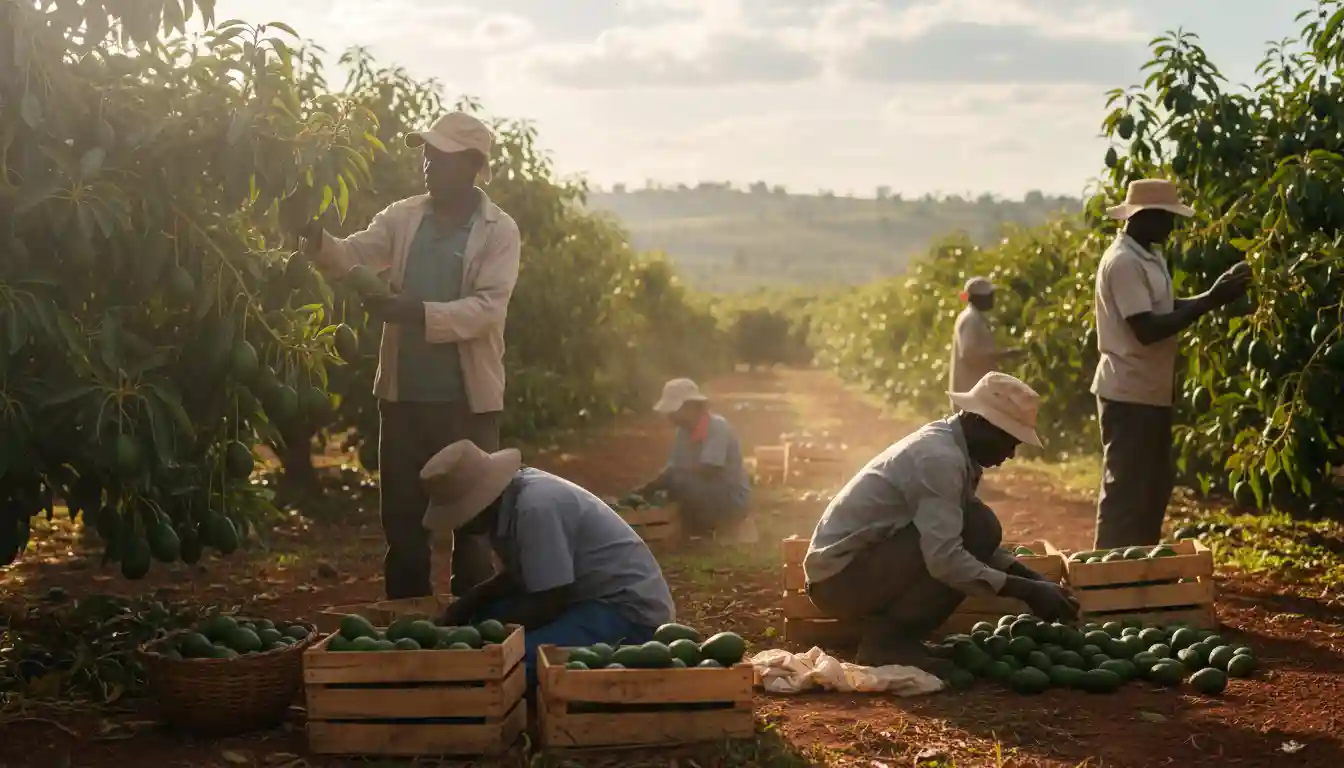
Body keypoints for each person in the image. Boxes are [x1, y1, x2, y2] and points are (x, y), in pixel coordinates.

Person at [303, 111, 522, 600]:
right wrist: (314, 237)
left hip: (466, 404)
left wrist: (416, 312)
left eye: (439, 156)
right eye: (425, 153)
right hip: (403, 401)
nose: (427, 163)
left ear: (471, 165)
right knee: (403, 526)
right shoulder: (404, 217)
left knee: (473, 527)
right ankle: (408, 631)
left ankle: (475, 632)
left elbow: (487, 310)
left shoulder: (498, 230)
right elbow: (354, 254)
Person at [802, 372, 1079, 670]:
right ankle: (887, 644)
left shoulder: (953, 449)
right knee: (981, 526)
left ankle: (899, 640)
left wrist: (1035, 580)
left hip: (856, 570)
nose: (1011, 454)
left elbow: (965, 541)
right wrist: (1027, 591)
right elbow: (946, 559)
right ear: (979, 422)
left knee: (979, 527)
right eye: (1009, 440)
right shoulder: (939, 459)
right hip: (840, 581)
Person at [423, 440, 676, 685]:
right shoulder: (511, 501)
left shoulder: (536, 507)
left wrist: (489, 636)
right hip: (581, 597)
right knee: (483, 617)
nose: (460, 525)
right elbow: (527, 572)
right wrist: (472, 601)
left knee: (511, 665)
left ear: (480, 502)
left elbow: (551, 599)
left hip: (625, 612)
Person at [1091, 179, 1251, 549]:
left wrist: (1212, 295)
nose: (1172, 226)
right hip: (1128, 391)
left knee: (1153, 486)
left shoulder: (1147, 253)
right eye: (1167, 218)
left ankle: (1141, 565)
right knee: (1126, 490)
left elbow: (1162, 307)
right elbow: (1146, 329)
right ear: (1145, 216)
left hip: (1150, 390)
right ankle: (1107, 576)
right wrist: (1209, 301)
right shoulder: (1124, 262)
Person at [635, 378, 752, 538]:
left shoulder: (718, 427)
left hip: (730, 498)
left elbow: (710, 469)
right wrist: (648, 488)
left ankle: (706, 529)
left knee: (681, 483)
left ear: (690, 407)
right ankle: (692, 525)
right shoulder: (683, 432)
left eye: (674, 410)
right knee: (669, 487)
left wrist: (670, 477)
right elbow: (673, 467)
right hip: (706, 490)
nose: (670, 416)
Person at [948, 277, 1020, 395]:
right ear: (978, 298)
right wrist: (1004, 354)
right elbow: (969, 353)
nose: (992, 299)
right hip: (971, 390)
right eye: (989, 295)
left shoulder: (975, 318)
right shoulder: (970, 320)